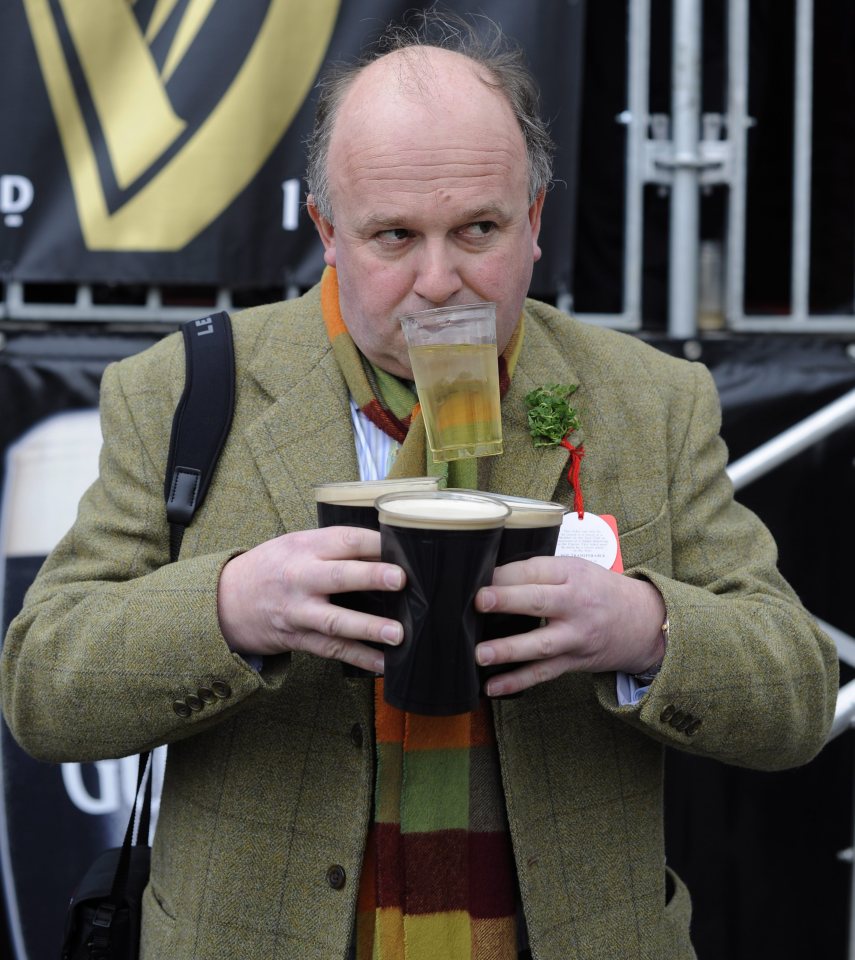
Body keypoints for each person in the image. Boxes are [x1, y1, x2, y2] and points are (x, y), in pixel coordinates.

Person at [0, 13, 838, 960]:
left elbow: (798, 697)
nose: (441, 283)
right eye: (393, 236)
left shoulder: (648, 399)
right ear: (326, 230)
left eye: (477, 228)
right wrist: (230, 606)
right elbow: (42, 688)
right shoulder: (182, 389)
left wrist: (643, 628)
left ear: (532, 221)